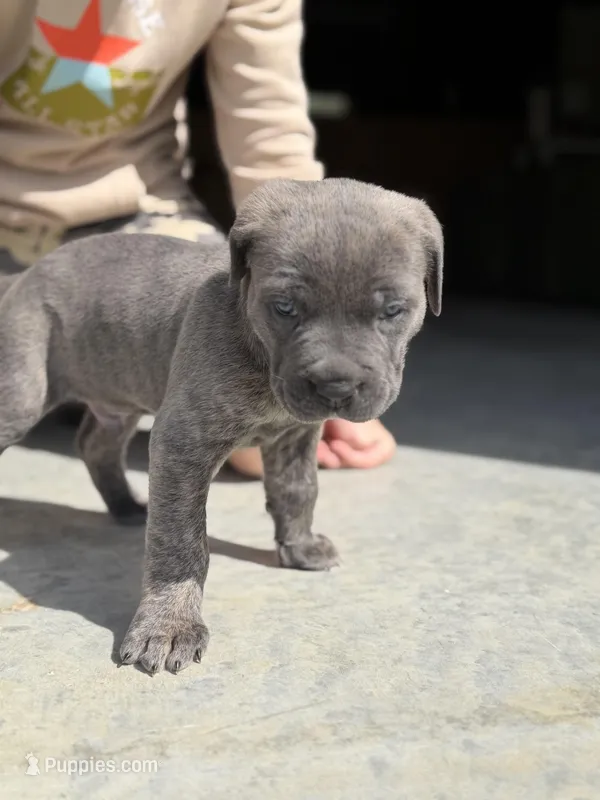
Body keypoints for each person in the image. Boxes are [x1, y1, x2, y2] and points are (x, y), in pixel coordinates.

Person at [0, 0, 396, 478]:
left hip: (132, 210)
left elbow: (268, 136)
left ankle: (88, 382)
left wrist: (322, 361)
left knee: (243, 406)